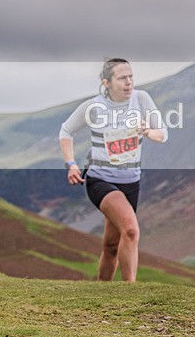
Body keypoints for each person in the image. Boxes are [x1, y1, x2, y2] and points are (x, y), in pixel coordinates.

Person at [59, 58, 167, 282]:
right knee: (130, 231)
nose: (129, 83)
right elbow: (66, 131)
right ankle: (130, 290)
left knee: (111, 245)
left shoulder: (141, 99)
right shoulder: (94, 107)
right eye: (122, 78)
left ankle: (101, 289)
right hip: (100, 179)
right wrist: (71, 164)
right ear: (106, 83)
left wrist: (147, 132)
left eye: (131, 77)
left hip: (131, 182)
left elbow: (162, 134)